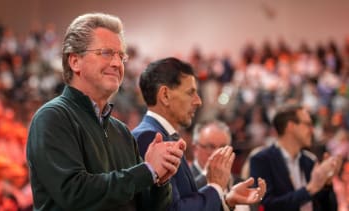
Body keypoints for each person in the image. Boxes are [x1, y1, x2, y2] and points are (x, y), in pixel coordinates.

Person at [26, 13, 186, 211]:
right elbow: (75, 194)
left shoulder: (122, 132)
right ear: (75, 61)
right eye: (106, 53)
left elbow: (145, 206)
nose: (117, 64)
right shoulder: (52, 117)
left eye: (121, 56)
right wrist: (147, 170)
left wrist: (159, 180)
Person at [132, 57, 266, 211]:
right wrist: (215, 187)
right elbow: (174, 209)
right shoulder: (151, 137)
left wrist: (226, 201)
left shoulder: (163, 135)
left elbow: (185, 199)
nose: (198, 101)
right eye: (190, 93)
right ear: (165, 95)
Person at [250, 103, 341, 211]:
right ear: (291, 127)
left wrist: (326, 184)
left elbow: (329, 208)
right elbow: (267, 205)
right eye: (308, 124)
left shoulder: (310, 160)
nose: (312, 130)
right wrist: (309, 189)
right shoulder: (262, 159)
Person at [191, 120, 250, 211]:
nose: (217, 153)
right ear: (195, 149)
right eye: (210, 146)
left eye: (223, 147)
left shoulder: (240, 182)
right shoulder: (187, 182)